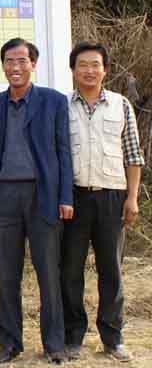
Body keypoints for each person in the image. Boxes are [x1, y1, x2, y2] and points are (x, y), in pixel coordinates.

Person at [0, 37, 73, 364]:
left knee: (48, 274)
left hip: (42, 195)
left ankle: (54, 344)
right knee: (7, 275)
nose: (15, 67)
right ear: (3, 65)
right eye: (9, 61)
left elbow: (63, 151)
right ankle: (9, 343)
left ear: (33, 64)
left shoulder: (53, 101)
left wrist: (65, 196)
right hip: (3, 198)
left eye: (21, 60)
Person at [61, 42, 144, 362]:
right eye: (82, 64)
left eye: (95, 64)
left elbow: (133, 155)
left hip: (112, 196)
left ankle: (112, 337)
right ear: (73, 70)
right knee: (70, 270)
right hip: (74, 197)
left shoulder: (120, 105)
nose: (89, 70)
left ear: (105, 69)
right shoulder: (62, 106)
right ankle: (73, 336)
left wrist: (132, 198)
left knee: (111, 270)